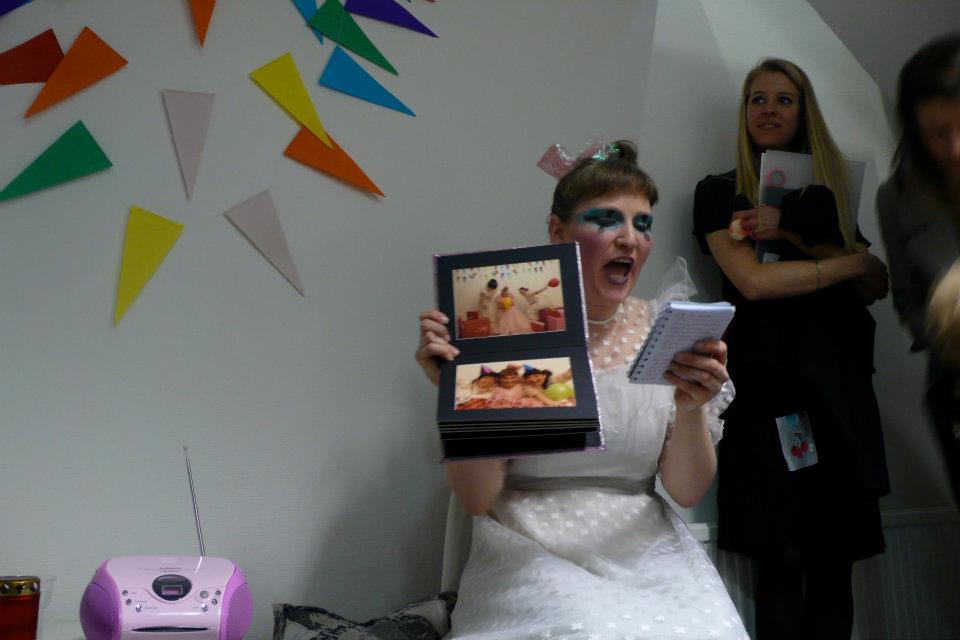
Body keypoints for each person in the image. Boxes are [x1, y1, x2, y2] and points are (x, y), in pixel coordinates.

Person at [417, 141, 748, 639]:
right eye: (607, 220)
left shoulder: (665, 330)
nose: (630, 239)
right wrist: (460, 396)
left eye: (642, 224)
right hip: (530, 548)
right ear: (557, 231)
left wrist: (691, 409)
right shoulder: (510, 327)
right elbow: (478, 497)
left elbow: (686, 490)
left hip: (645, 551)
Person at [692, 58, 891, 639]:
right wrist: (850, 261)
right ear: (744, 111)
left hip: (838, 394)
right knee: (781, 555)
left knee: (835, 559)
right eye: (757, 99)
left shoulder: (828, 197)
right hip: (770, 391)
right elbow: (754, 282)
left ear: (804, 112)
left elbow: (877, 285)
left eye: (784, 99)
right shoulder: (719, 192)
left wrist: (794, 233)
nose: (769, 110)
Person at [876, 32, 960, 506]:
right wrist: (946, 328)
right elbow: (907, 299)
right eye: (938, 132)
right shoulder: (897, 199)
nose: (955, 148)